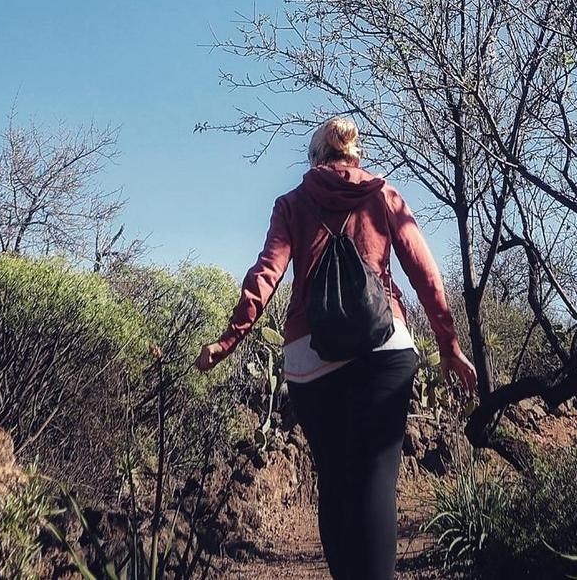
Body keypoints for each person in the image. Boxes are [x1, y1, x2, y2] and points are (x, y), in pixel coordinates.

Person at [195, 115, 478, 580]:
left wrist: (229, 340)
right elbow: (425, 272)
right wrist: (448, 343)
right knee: (376, 483)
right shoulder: (383, 195)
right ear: (354, 154)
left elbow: (266, 274)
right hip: (384, 350)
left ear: (315, 159)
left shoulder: (291, 203)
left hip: (312, 360)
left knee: (334, 481)